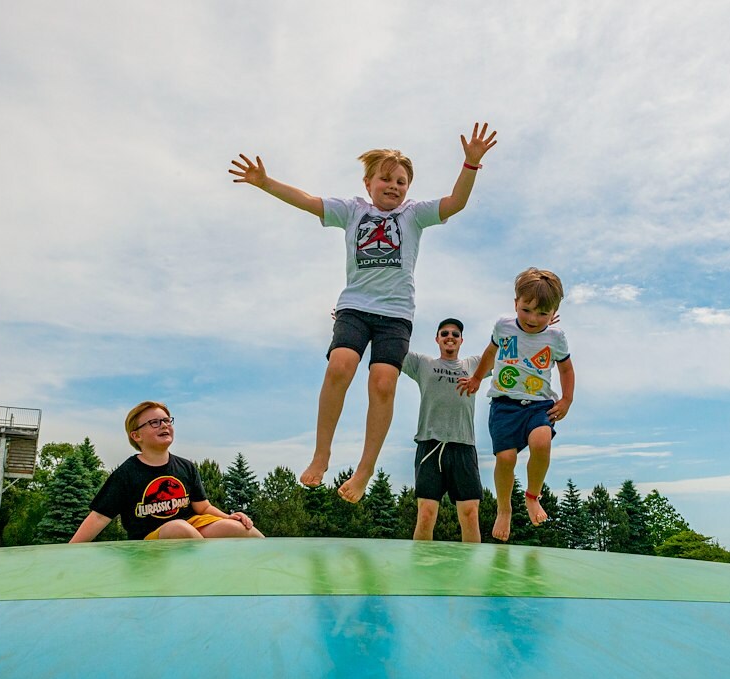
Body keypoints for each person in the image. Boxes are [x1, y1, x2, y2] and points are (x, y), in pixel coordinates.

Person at [230, 123, 497, 503]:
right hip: (355, 306)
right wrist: (265, 182)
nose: (394, 186)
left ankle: (365, 469)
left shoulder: (414, 215)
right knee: (340, 366)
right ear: (368, 182)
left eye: (401, 181)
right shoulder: (352, 210)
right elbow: (307, 201)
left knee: (383, 382)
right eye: (385, 179)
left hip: (396, 314)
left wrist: (470, 165)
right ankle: (321, 453)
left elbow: (456, 202)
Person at [458, 268, 575, 542]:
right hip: (504, 405)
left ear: (554, 312)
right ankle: (504, 508)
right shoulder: (504, 326)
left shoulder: (555, 337)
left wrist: (566, 399)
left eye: (542, 314)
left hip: (538, 405)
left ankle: (532, 495)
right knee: (506, 459)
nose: (533, 319)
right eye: (526, 310)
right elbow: (490, 353)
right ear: (515, 303)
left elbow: (566, 369)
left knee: (542, 442)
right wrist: (476, 378)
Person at [69, 401, 264, 542]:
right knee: (178, 528)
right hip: (150, 540)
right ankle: (208, 573)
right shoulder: (126, 473)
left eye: (166, 420)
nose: (164, 425)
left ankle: (274, 565)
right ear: (136, 435)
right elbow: (99, 516)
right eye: (154, 422)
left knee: (235, 527)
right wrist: (70, 550)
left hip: (192, 526)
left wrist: (228, 517)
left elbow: (203, 508)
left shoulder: (186, 466)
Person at [401, 318, 487, 543]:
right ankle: (421, 563)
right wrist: (358, 318)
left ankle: (469, 566)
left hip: (464, 447)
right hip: (430, 445)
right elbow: (390, 346)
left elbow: (504, 352)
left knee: (470, 515)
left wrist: (538, 327)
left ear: (461, 340)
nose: (450, 337)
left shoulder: (474, 364)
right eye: (445, 333)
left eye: (455, 334)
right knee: (426, 514)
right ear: (437, 339)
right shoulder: (422, 363)